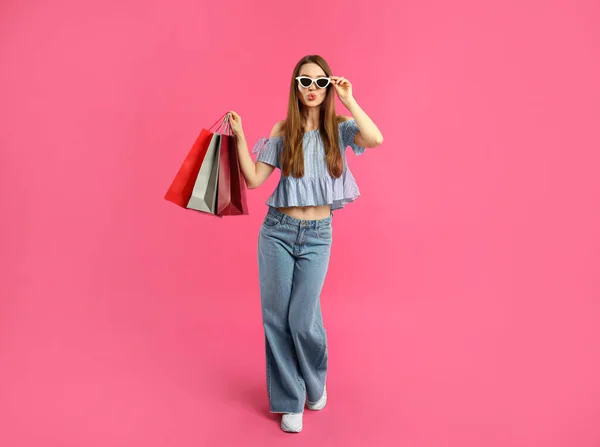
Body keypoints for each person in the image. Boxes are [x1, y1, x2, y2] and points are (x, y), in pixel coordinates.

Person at [227, 54, 383, 433]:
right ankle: (289, 400)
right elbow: (252, 181)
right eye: (304, 81)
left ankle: (314, 383)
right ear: (295, 87)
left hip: (318, 236)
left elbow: (375, 138)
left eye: (319, 82)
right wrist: (242, 137)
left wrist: (349, 98)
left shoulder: (340, 128)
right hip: (278, 232)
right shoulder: (284, 130)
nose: (312, 88)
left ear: (328, 86)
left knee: (302, 317)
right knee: (277, 319)